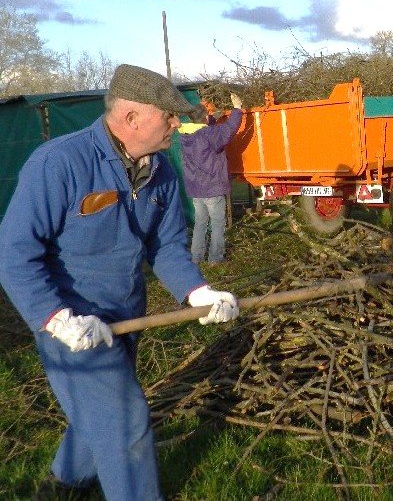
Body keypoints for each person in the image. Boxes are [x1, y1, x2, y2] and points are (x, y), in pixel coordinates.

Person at [0, 64, 240, 500]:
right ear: (131, 118)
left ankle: (63, 485)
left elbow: (166, 247)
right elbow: (14, 253)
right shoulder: (59, 164)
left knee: (99, 408)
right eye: (168, 116)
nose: (177, 123)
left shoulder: (162, 172)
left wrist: (198, 292)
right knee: (124, 420)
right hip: (70, 322)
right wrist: (56, 319)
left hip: (126, 316)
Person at [180, 93, 244, 264]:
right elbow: (228, 130)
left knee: (200, 224)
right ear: (205, 117)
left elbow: (208, 132)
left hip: (196, 189)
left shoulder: (186, 135)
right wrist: (237, 108)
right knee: (217, 224)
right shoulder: (209, 135)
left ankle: (197, 257)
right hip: (212, 187)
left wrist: (213, 119)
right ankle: (216, 258)